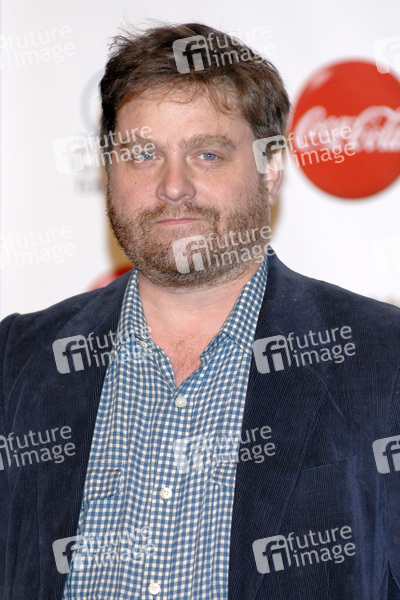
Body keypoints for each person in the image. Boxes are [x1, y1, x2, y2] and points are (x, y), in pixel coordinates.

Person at [1, 21, 400, 600]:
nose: (173, 186)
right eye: (143, 154)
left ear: (270, 171)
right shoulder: (17, 360)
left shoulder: (383, 360)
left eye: (207, 154)